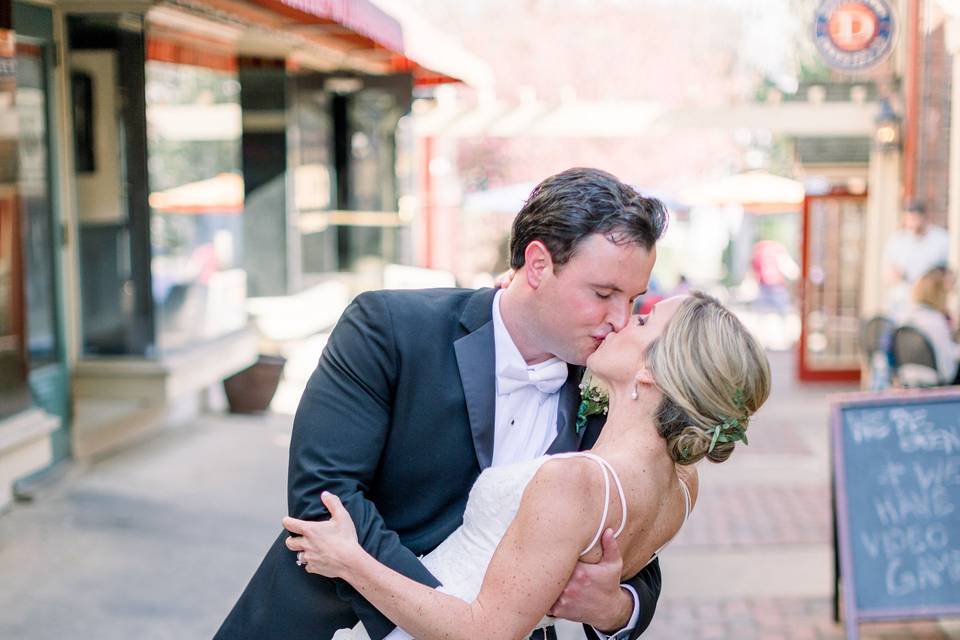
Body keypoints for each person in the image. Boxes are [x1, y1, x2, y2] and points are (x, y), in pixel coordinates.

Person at [215, 168, 667, 640]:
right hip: (332, 624)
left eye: (633, 299)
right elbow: (324, 497)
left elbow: (639, 538)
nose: (619, 320)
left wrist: (617, 608)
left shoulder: (610, 390)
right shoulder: (389, 329)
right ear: (537, 264)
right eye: (603, 294)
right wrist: (454, 621)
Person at [284, 292, 772, 640]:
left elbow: (484, 633)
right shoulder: (684, 484)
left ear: (651, 370)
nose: (623, 320)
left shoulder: (575, 481)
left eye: (642, 320)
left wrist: (352, 562)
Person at [897, 266, 960, 385]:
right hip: (940, 379)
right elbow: (947, 361)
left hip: (909, 376)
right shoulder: (936, 320)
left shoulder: (906, 316)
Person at [883, 201, 949, 314]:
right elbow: (888, 272)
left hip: (930, 302)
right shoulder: (897, 240)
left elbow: (947, 272)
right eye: (908, 220)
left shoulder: (941, 239)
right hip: (901, 301)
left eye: (914, 219)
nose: (911, 224)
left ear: (924, 217)